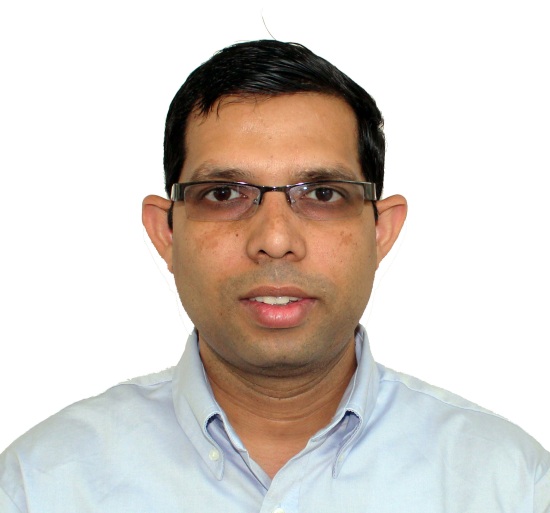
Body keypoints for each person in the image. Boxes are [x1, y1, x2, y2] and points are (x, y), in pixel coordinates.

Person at [0, 39, 548, 512]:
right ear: (165, 231)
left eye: (323, 194)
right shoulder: (40, 484)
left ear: (381, 231)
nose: (276, 238)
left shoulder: (510, 483)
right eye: (224, 194)